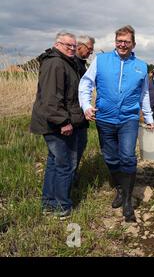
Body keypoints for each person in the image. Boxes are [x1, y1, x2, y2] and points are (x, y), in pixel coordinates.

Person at [79, 25, 154, 222]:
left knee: (128, 157)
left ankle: (128, 201)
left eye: (126, 41)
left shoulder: (141, 66)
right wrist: (86, 105)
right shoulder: (101, 60)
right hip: (104, 118)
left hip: (128, 119)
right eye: (119, 41)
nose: (122, 44)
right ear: (115, 42)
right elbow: (86, 83)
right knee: (111, 158)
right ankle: (120, 189)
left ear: (133, 44)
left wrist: (148, 117)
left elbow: (144, 94)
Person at [30, 32, 88, 220]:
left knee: (54, 164)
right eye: (67, 45)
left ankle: (49, 203)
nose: (71, 49)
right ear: (57, 44)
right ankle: (62, 206)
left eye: (73, 46)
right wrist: (63, 121)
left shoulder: (65, 62)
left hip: (56, 122)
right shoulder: (55, 63)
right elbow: (51, 98)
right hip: (56, 124)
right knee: (65, 164)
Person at [72, 35, 95, 186]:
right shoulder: (72, 63)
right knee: (72, 151)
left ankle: (73, 178)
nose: (90, 53)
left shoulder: (82, 64)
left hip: (81, 116)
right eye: (89, 49)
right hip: (73, 115)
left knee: (80, 145)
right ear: (80, 46)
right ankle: (70, 182)